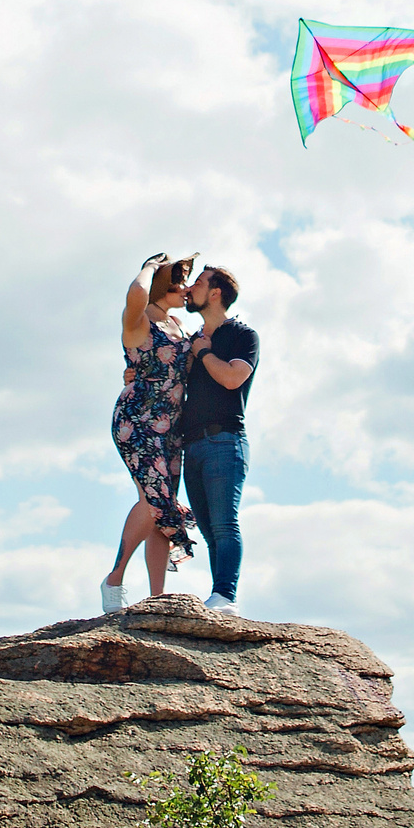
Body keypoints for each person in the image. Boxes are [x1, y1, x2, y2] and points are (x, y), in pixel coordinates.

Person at [101, 253, 197, 613]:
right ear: (162, 286)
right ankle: (114, 579)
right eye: (180, 282)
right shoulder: (139, 321)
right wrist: (152, 267)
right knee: (153, 501)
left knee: (163, 507)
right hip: (138, 419)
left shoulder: (178, 324)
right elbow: (135, 295)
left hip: (171, 427)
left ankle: (157, 599)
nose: (186, 289)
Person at [178, 264, 255, 614]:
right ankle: (219, 595)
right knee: (209, 529)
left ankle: (226, 596)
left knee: (225, 523)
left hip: (224, 441)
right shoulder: (190, 342)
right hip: (191, 445)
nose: (189, 288)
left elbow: (232, 378)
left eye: (198, 282)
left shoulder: (242, 335)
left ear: (215, 293)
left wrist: (204, 353)